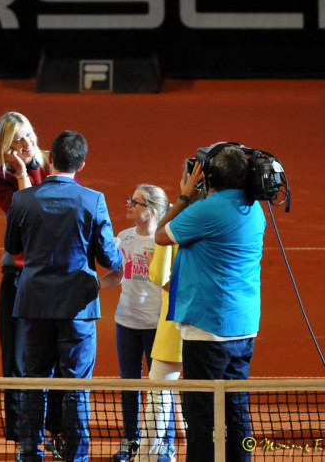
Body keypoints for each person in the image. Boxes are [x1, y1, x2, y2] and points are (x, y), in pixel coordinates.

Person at [4, 130, 123, 462]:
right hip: (78, 309)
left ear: (50, 159)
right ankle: (76, 457)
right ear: (82, 163)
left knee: (33, 382)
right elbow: (109, 259)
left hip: (33, 305)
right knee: (76, 387)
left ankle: (29, 452)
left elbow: (12, 247)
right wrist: (122, 258)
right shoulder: (93, 199)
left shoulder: (23, 199)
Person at [155, 144, 266, 462]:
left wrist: (187, 194)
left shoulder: (206, 209)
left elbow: (161, 234)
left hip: (207, 332)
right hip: (243, 330)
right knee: (237, 413)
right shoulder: (254, 209)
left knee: (201, 418)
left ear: (208, 176)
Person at [0, 111, 65, 458]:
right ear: (6, 147)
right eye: (18, 139)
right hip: (19, 279)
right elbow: (29, 212)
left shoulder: (54, 164)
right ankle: (24, 437)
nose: (28, 143)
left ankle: (57, 430)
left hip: (56, 277)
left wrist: (32, 167)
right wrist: (21, 173)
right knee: (17, 359)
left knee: (60, 360)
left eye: (30, 134)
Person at [136, 162, 203, 462]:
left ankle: (148, 458)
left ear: (189, 184)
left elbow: (159, 276)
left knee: (159, 398)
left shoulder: (173, 221)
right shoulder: (220, 219)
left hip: (173, 324)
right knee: (211, 400)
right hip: (210, 324)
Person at [98, 185, 170, 462]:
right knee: (129, 384)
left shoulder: (164, 242)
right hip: (126, 323)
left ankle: (165, 442)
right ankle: (130, 439)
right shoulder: (124, 238)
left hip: (156, 326)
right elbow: (116, 276)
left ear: (151, 211)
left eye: (135, 202)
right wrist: (94, 285)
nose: (128, 204)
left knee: (161, 388)